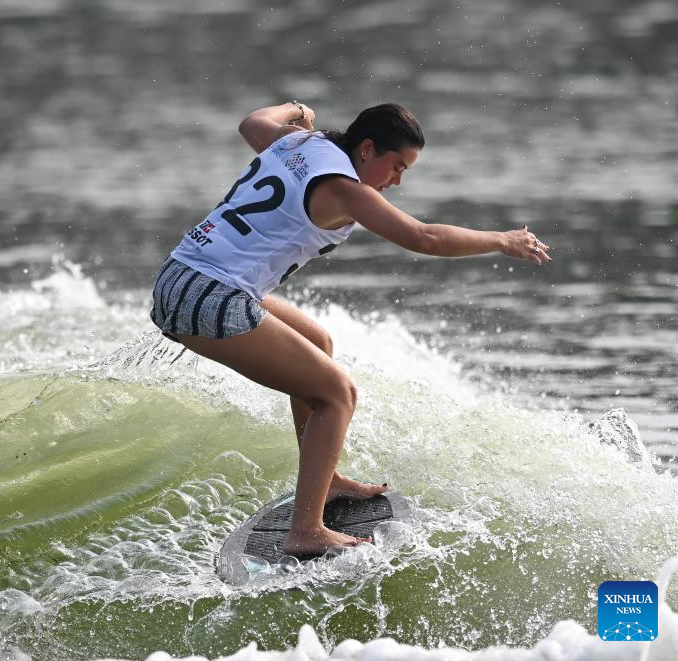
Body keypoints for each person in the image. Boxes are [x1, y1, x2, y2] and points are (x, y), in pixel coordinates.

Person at [149, 101, 551, 556]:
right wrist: (502, 240)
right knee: (338, 394)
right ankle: (306, 530)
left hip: (179, 275)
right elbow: (424, 237)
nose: (397, 181)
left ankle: (328, 480)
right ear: (366, 148)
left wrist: (297, 109)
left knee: (316, 341)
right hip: (207, 295)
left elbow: (252, 123)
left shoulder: (300, 143)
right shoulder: (345, 190)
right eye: (397, 166)